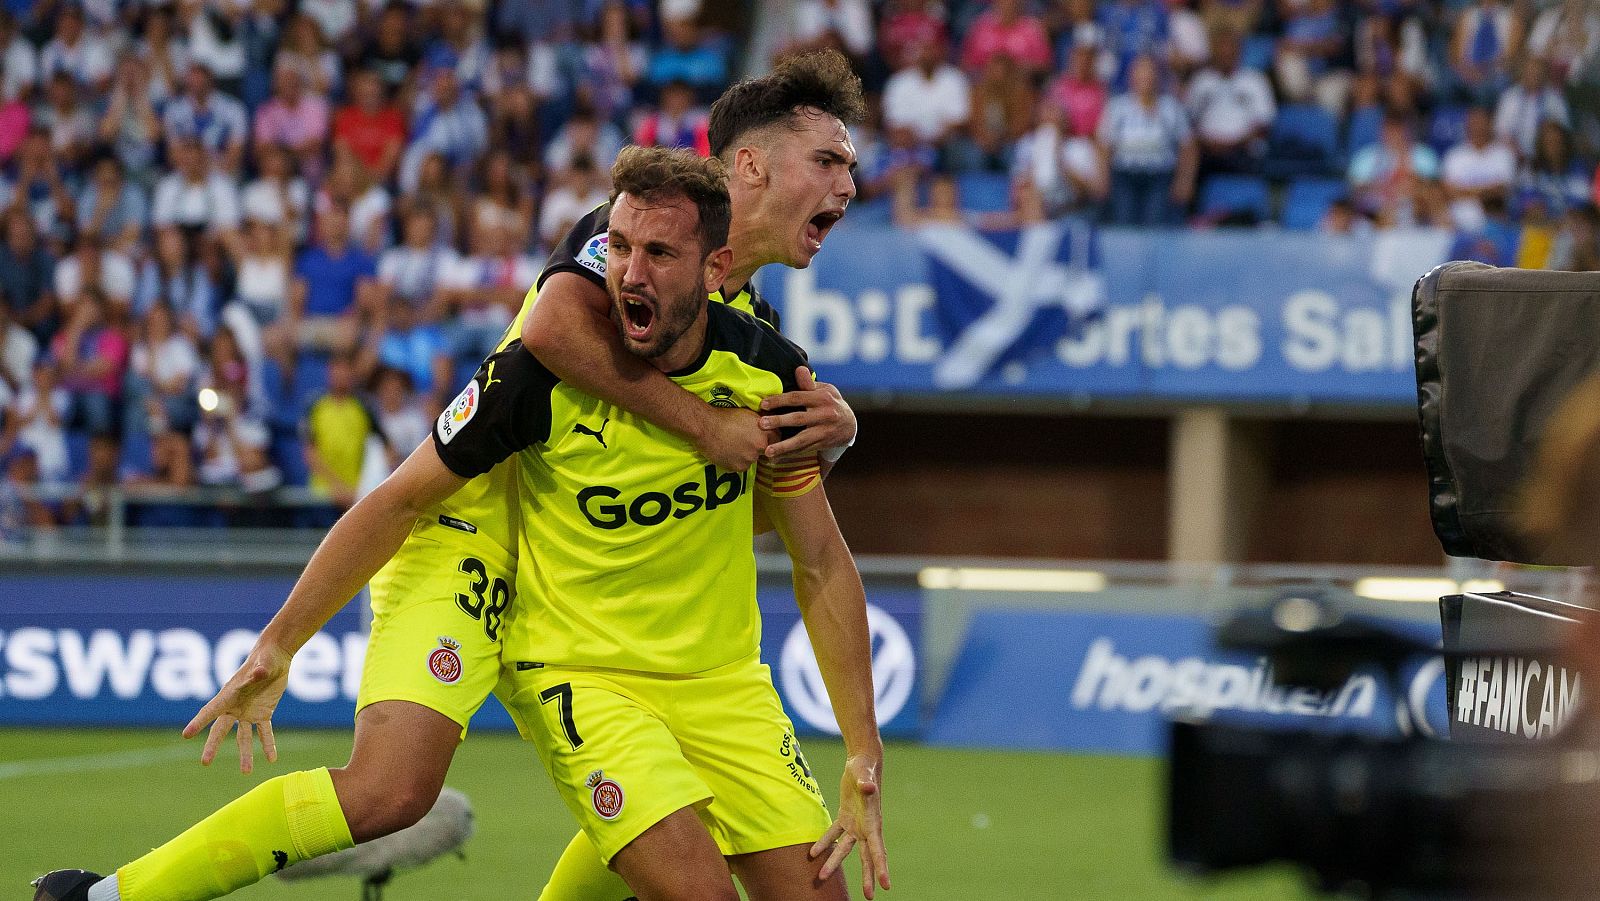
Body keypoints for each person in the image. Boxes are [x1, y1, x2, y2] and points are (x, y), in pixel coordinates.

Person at [31, 50, 868, 901]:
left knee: (658, 799)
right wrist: (281, 639)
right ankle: (105, 898)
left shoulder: (752, 333)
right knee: (394, 786)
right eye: (829, 159)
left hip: (572, 568)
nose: (848, 180)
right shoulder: (629, 242)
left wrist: (824, 438)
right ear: (754, 165)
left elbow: (727, 500)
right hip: (464, 527)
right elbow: (550, 331)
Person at [466, 147, 888, 900]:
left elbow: (819, 557)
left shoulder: (768, 372)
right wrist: (283, 636)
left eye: (658, 253)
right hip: (582, 669)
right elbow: (549, 326)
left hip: (723, 686)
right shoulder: (552, 362)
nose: (629, 271)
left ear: (715, 268)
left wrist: (863, 749)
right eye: (620, 249)